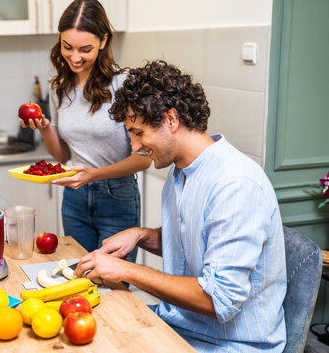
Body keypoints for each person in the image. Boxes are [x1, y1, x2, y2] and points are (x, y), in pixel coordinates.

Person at [74, 60, 287, 352]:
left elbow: (219, 299)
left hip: (232, 344)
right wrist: (140, 234)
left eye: (139, 132)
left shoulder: (235, 184)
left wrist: (126, 270)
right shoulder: (180, 171)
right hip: (182, 326)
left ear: (171, 119)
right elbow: (195, 243)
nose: (134, 147)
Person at [19, 0, 152, 260]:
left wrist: (93, 175)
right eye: (67, 47)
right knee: (79, 278)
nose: (74, 57)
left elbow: (143, 159)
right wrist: (45, 127)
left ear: (103, 42)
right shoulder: (59, 86)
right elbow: (62, 158)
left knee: (115, 285)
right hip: (74, 197)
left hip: (117, 195)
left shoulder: (123, 83)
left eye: (85, 49)